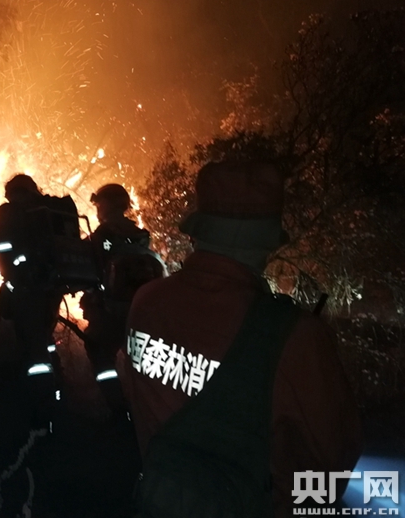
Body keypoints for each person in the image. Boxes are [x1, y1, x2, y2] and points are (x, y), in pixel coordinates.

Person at [120, 160, 362, 516]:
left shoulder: (146, 301)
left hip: (156, 501)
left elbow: (130, 387)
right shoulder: (296, 338)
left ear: (197, 231)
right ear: (269, 244)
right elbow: (333, 463)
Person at [0, 174, 82, 426]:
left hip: (27, 287)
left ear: (11, 192)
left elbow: (3, 250)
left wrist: (9, 280)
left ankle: (43, 412)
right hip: (53, 286)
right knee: (44, 337)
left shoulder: (7, 213)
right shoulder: (51, 208)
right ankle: (60, 393)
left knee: (34, 348)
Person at [80, 184, 165, 410]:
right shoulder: (141, 235)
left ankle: (119, 410)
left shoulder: (102, 235)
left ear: (108, 204)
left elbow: (89, 269)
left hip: (110, 312)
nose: (97, 209)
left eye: (99, 204)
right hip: (143, 311)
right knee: (141, 365)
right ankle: (149, 410)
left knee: (100, 355)